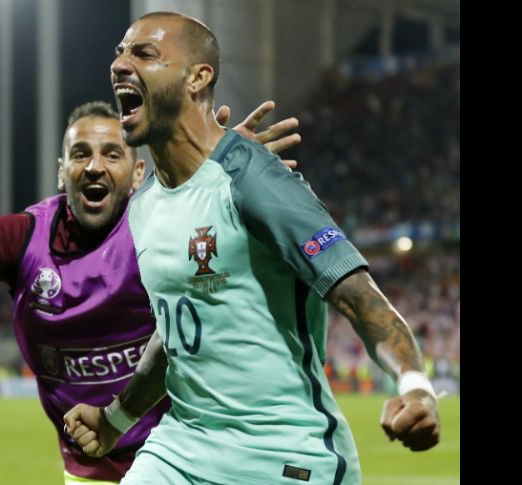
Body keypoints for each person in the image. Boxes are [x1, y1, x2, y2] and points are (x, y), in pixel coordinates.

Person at [63, 12, 441, 485]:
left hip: (282, 455)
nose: (120, 63)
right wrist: (116, 419)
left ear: (198, 77)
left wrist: (415, 386)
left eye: (143, 53)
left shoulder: (256, 181)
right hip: (179, 451)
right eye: (119, 51)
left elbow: (360, 296)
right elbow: (178, 330)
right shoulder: (144, 207)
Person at [0, 100, 300, 482]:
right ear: (61, 171)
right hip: (92, 462)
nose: (94, 166)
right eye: (80, 154)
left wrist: (230, 177)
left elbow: (225, 226)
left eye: (113, 154)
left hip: (182, 452)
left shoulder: (166, 224)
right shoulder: (20, 239)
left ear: (137, 173)